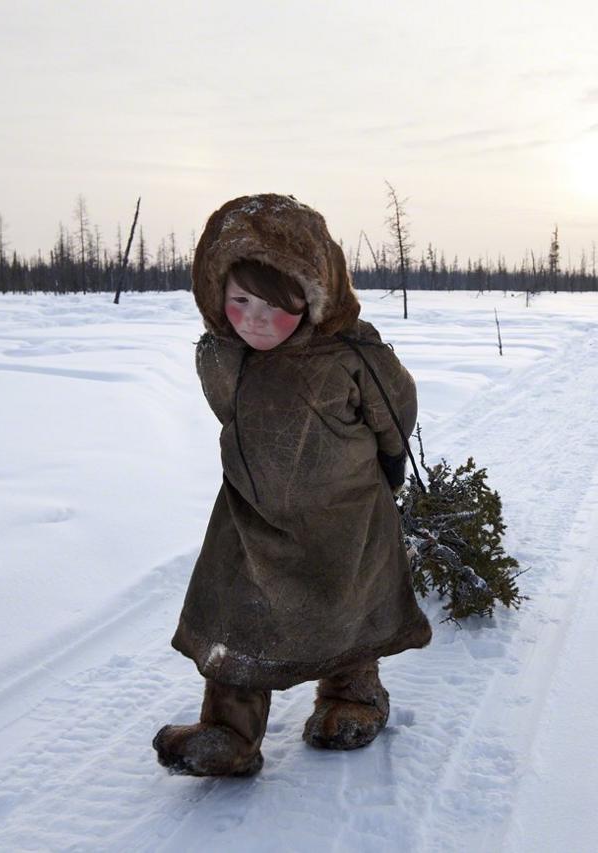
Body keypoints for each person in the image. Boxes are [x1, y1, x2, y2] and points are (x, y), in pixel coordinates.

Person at [153, 194, 432, 777]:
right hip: (250, 517)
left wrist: (384, 472)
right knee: (238, 618)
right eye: (240, 301)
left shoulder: (352, 355)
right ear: (216, 294)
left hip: (343, 515)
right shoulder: (222, 354)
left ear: (314, 297)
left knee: (345, 610)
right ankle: (229, 734)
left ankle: (352, 698)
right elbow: (233, 416)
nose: (254, 319)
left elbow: (394, 415)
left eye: (277, 306)